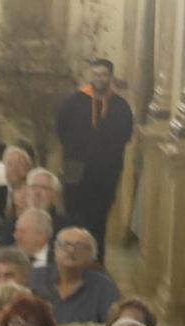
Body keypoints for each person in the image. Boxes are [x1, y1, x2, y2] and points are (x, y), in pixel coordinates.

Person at [54, 58, 136, 250]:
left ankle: (96, 262)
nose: (99, 79)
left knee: (99, 219)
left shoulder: (120, 106)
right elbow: (61, 128)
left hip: (105, 171)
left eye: (104, 75)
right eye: (96, 74)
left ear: (110, 77)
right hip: (75, 167)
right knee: (74, 216)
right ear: (91, 76)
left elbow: (125, 135)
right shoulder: (73, 102)